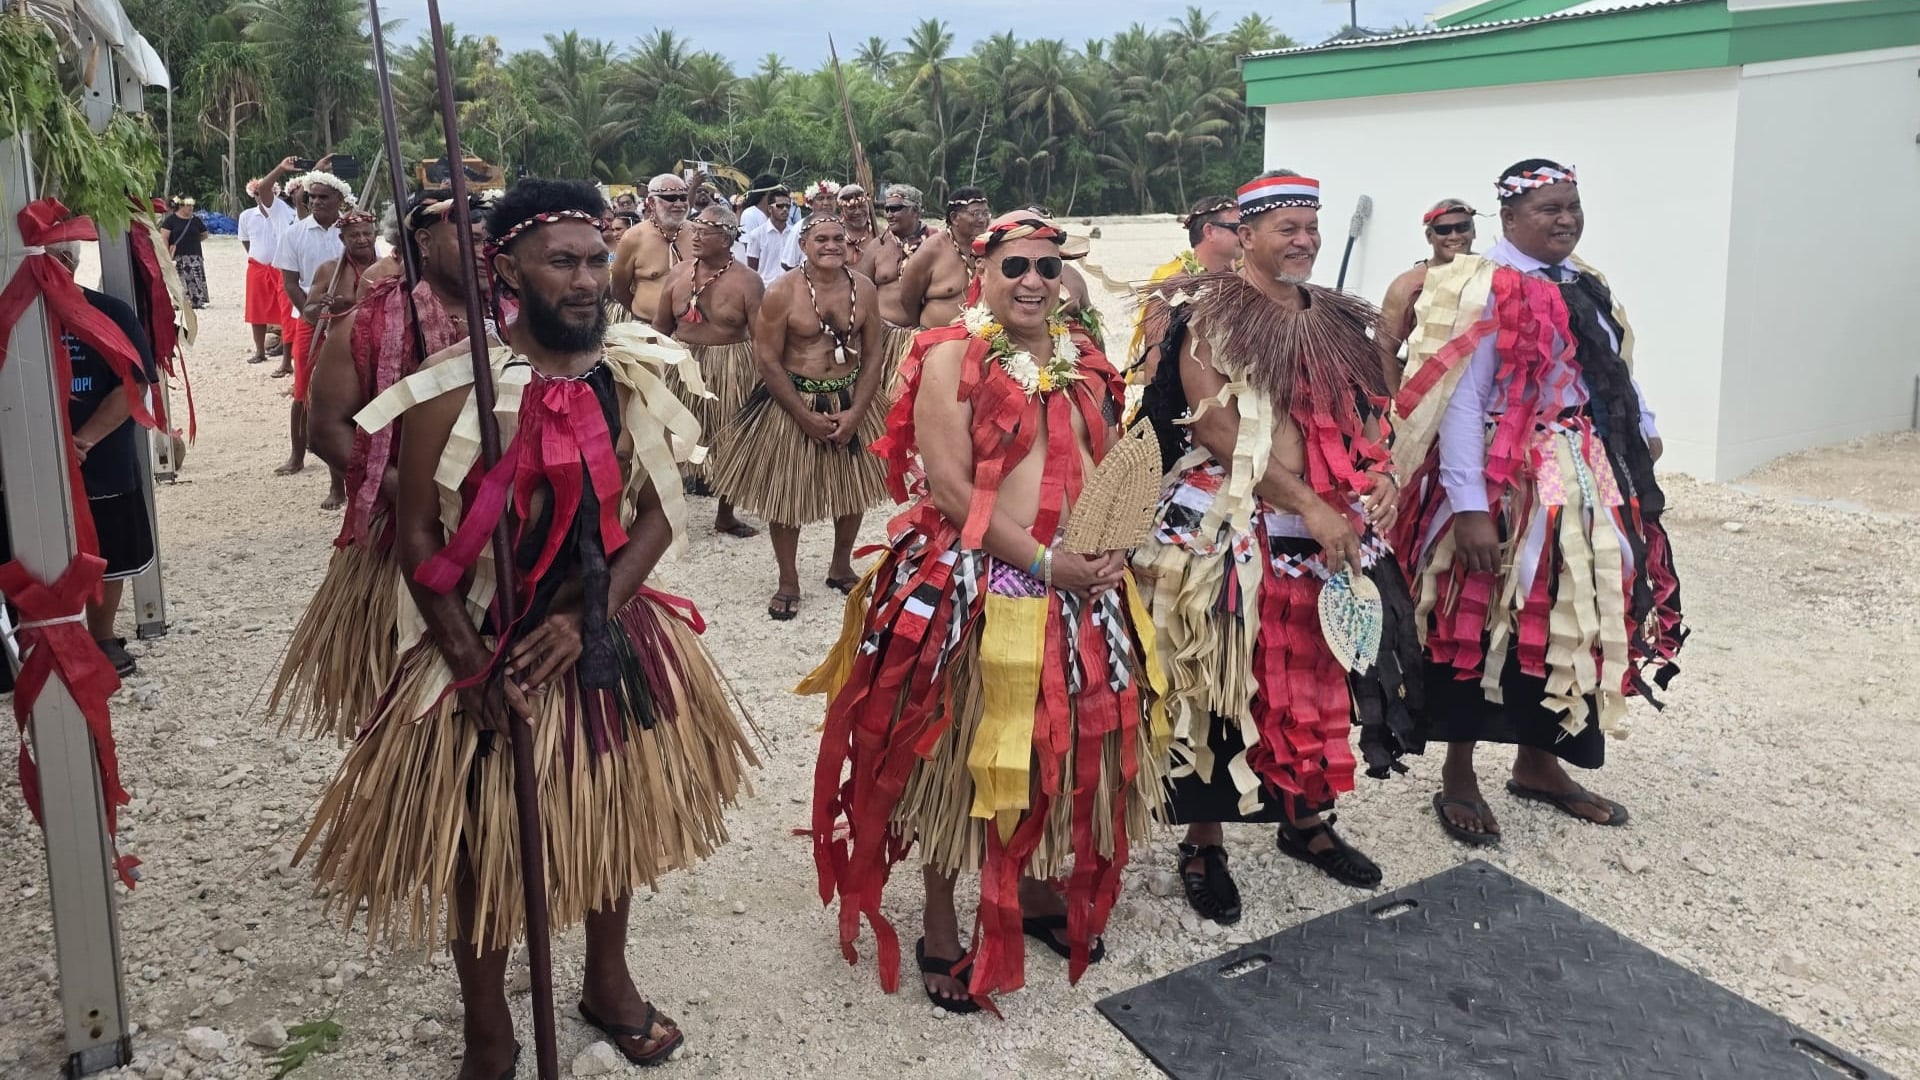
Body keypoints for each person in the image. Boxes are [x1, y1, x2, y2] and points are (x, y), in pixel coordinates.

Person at [297, 179, 759, 1078]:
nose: (588, 280)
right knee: (482, 836)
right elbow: (419, 536)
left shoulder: (627, 376)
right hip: (481, 638)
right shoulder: (448, 394)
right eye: (564, 262)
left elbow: (662, 513)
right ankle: (487, 1029)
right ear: (508, 266)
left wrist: (598, 612)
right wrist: (469, 664)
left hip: (599, 630)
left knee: (612, 810)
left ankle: (608, 981)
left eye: (596, 260)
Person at [802, 210, 1167, 1012]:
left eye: (1047, 267)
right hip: (979, 581)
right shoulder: (949, 357)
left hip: (1075, 583)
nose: (1034, 281)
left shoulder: (1084, 364)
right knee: (951, 750)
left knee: (1050, 750)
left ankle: (1036, 891)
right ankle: (939, 922)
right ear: (983, 273)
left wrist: (1112, 550)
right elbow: (952, 489)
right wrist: (1045, 561)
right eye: (1016, 268)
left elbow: (1104, 473)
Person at [1135, 172, 1424, 923]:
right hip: (1230, 521)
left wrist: (1378, 477)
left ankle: (1305, 820)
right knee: (1219, 682)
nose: (1303, 240)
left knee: (1322, 667)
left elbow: (1367, 413)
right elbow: (1213, 427)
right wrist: (1307, 504)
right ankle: (1204, 840)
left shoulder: (1333, 316)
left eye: (1310, 226)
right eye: (1286, 227)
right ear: (1249, 233)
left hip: (1324, 523)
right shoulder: (1206, 311)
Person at [1391, 159, 1685, 847]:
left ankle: (1541, 764)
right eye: (1549, 209)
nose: (1565, 219)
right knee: (1477, 615)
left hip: (1580, 469)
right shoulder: (1480, 285)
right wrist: (1467, 503)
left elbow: (1611, 365)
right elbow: (1463, 395)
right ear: (1510, 219)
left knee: (1571, 614)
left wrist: (1642, 430)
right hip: (1503, 470)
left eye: (1572, 206)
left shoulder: (1584, 281)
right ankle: (1458, 772)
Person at [272, 191, 491, 742]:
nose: (482, 240)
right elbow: (327, 428)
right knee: (419, 704)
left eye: (490, 230)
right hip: (406, 533)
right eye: (466, 229)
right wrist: (407, 491)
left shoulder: (520, 315)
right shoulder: (367, 323)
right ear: (422, 239)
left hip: (509, 530)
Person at [708, 215, 887, 620]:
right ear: (803, 244)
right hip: (793, 402)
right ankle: (788, 581)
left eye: (838, 238)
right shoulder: (782, 292)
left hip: (849, 396)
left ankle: (840, 566)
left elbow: (874, 353)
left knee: (853, 490)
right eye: (821, 238)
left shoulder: (864, 288)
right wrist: (802, 414)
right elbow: (767, 358)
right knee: (787, 496)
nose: (831, 245)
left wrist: (858, 411)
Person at [45, 241, 158, 678]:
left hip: (103, 455)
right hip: (30, 458)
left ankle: (101, 634)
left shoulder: (110, 313)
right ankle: (44, 635)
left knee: (108, 548)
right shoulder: (13, 312)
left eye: (57, 258)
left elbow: (133, 385)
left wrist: (81, 441)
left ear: (71, 263)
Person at [652, 204, 764, 538]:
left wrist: (763, 381)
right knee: (670, 439)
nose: (696, 237)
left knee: (729, 440)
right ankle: (667, 516)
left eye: (706, 231)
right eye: (695, 230)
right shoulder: (678, 272)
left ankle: (726, 515)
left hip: (730, 366)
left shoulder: (749, 282)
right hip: (681, 363)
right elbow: (660, 326)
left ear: (728, 238)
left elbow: (761, 338)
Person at [295, 208, 380, 509]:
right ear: (342, 238)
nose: (361, 240)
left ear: (375, 235)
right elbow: (308, 313)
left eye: (366, 234)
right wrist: (322, 307)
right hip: (338, 355)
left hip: (377, 352)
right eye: (354, 235)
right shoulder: (329, 271)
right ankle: (337, 486)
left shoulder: (386, 269)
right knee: (336, 420)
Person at [272, 170, 351, 478]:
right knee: (303, 386)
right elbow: (290, 282)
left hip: (348, 317)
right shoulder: (293, 234)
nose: (316, 202)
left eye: (323, 197)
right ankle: (297, 453)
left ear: (339, 200)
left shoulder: (352, 232)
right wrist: (312, 313)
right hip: (308, 319)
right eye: (312, 197)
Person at [1127, 194, 1240, 384]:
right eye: (1237, 228)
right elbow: (1155, 362)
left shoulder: (1246, 281)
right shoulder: (1176, 286)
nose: (1246, 234)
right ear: (1210, 232)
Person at [1376, 198, 1476, 393]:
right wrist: (1396, 405)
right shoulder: (1406, 286)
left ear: (1474, 231)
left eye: (1462, 227)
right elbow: (1383, 350)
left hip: (1482, 400)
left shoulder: (1493, 276)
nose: (1454, 236)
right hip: (1425, 399)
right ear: (1429, 236)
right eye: (1444, 230)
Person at [895, 185, 989, 329]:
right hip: (934, 340)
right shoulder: (931, 250)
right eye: (976, 214)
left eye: (985, 213)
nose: (982, 220)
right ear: (954, 218)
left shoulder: (990, 248)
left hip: (981, 338)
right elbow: (908, 299)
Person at [872, 183, 936, 386]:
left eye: (896, 208)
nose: (889, 214)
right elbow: (858, 288)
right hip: (884, 338)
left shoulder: (938, 242)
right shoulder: (878, 245)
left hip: (925, 338)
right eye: (886, 209)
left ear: (915, 210)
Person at [610, 173, 690, 321]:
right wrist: (644, 314)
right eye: (671, 198)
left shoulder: (697, 233)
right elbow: (618, 290)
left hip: (692, 331)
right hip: (648, 329)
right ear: (652, 203)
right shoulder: (633, 238)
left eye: (683, 197)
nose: (679, 204)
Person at [238, 176, 297, 365]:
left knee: (284, 309)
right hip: (257, 267)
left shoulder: (285, 212)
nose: (260, 196)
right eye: (257, 193)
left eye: (264, 192)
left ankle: (283, 345)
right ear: (252, 194)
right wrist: (258, 258)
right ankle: (259, 349)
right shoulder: (247, 216)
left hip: (280, 267)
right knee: (256, 310)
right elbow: (245, 240)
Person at [779, 180, 841, 272]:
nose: (826, 202)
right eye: (820, 199)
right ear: (811, 203)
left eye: (830, 198)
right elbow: (788, 264)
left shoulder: (841, 225)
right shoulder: (800, 227)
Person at [160, 197, 209, 309]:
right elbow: (164, 237)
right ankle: (179, 302)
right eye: (188, 205)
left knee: (196, 277)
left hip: (194, 254)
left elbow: (204, 234)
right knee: (179, 278)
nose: (191, 208)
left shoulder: (195, 220)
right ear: (181, 206)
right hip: (178, 255)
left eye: (192, 205)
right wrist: (167, 252)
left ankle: (196, 300)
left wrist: (193, 241)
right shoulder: (170, 221)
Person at [742, 187, 793, 287]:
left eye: (788, 206)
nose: (785, 209)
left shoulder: (795, 234)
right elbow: (752, 268)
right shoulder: (757, 235)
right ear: (770, 208)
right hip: (766, 288)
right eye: (780, 206)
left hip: (790, 288)